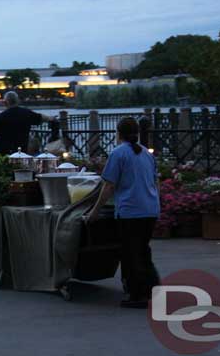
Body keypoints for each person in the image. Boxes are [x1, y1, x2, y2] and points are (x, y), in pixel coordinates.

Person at [86, 117, 160, 309]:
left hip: (130, 211)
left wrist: (95, 211)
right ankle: (151, 288)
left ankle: (137, 294)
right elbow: (155, 183)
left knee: (130, 253)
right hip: (150, 209)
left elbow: (108, 185)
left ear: (117, 134)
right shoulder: (146, 153)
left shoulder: (118, 154)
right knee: (143, 250)